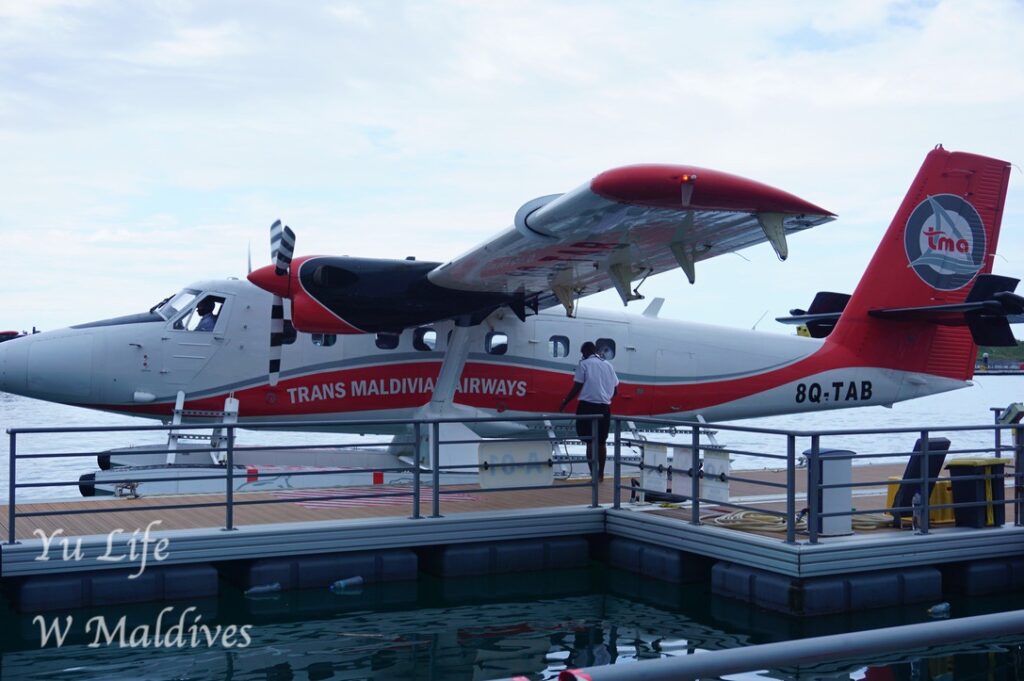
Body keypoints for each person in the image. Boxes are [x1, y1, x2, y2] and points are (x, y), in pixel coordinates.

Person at [559, 341, 618, 482]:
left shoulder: (584, 364)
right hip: (604, 407)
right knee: (602, 442)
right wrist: (604, 396)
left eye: (582, 353)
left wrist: (565, 402)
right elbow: (615, 390)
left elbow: (577, 386)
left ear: (585, 352)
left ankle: (593, 475)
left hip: (587, 406)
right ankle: (601, 475)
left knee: (590, 441)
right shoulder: (608, 365)